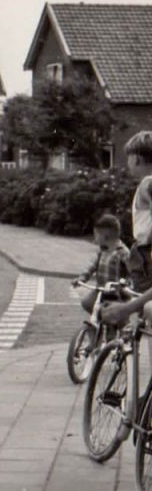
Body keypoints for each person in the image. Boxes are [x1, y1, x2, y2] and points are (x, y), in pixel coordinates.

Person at [101, 138, 152, 369]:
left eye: (129, 158)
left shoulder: (147, 183)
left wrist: (127, 309)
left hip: (145, 252)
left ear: (137, 159)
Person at [72, 214, 130, 315]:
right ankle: (100, 322)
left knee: (117, 315)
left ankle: (123, 326)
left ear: (105, 236)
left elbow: (132, 271)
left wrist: (126, 284)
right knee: (87, 302)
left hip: (117, 294)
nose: (95, 239)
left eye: (96, 235)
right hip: (101, 290)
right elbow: (92, 266)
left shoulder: (123, 252)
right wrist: (82, 278)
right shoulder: (102, 250)